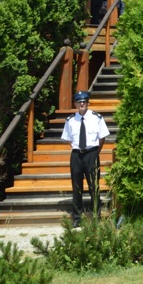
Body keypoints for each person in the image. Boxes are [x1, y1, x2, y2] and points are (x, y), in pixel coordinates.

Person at [60, 91, 109, 226]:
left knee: (94, 186)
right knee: (77, 187)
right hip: (76, 155)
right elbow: (69, 139)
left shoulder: (96, 118)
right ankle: (77, 218)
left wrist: (95, 152)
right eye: (79, 102)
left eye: (84, 102)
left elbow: (102, 137)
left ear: (88, 103)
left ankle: (95, 216)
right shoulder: (70, 120)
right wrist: (77, 149)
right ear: (75, 104)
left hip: (91, 154)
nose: (82, 104)